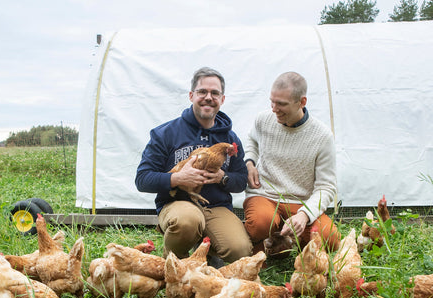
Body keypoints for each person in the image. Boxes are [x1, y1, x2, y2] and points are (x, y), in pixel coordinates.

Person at [135, 67, 252, 264]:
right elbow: (142, 179)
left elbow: (241, 180)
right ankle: (175, 262)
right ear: (191, 96)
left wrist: (222, 177)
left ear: (222, 99)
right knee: (188, 222)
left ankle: (205, 253)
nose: (208, 97)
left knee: (239, 248)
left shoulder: (230, 139)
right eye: (202, 92)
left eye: (215, 93)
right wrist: (177, 178)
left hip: (216, 207)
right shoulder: (165, 133)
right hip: (178, 204)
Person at [243, 71, 341, 254]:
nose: (274, 108)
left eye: (281, 104)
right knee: (261, 223)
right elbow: (252, 140)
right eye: (272, 101)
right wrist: (249, 162)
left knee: (330, 238)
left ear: (302, 102)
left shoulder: (322, 136)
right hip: (266, 194)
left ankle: (284, 242)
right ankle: (263, 244)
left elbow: (326, 187)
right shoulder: (263, 120)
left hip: (300, 200)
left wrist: (304, 214)